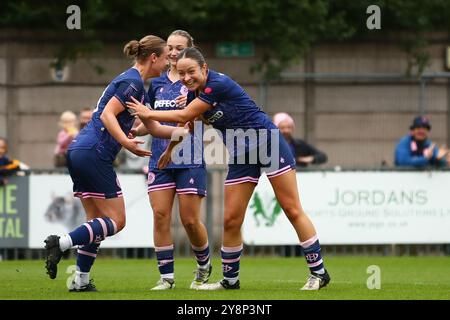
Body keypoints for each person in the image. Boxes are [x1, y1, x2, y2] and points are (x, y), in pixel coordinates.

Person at [127, 47, 330, 291]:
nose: (186, 78)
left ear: (204, 68)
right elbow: (184, 124)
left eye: (191, 71)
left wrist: (149, 112)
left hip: (268, 143)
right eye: (181, 74)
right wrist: (170, 151)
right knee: (231, 220)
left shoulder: (217, 84)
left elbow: (184, 113)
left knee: (291, 208)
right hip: (241, 154)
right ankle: (230, 281)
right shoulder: (194, 95)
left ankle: (318, 272)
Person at [43, 35, 184, 292]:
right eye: (165, 58)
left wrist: (181, 130)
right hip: (95, 152)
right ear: (153, 57)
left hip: (80, 151)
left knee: (95, 221)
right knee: (117, 221)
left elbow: (151, 126)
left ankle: (80, 281)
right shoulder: (132, 82)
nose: (167, 63)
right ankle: (61, 243)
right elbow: (108, 114)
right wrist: (125, 141)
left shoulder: (134, 83)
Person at [130, 30, 211, 290]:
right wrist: (132, 131)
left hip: (188, 157)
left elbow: (190, 124)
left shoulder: (196, 83)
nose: (174, 52)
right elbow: (149, 121)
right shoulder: (156, 84)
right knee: (160, 215)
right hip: (160, 160)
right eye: (171, 48)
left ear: (190, 50)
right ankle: (166, 277)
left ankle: (203, 265)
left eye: (179, 48)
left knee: (189, 220)